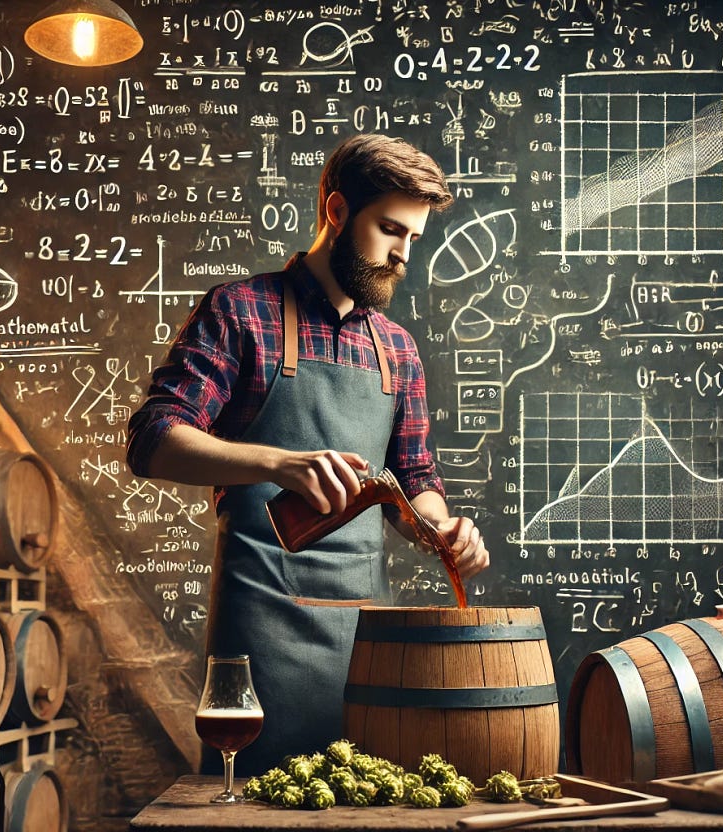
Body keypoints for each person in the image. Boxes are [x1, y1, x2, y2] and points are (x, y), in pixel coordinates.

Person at [126, 134, 490, 773]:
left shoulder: (399, 350)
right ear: (337, 211)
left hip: (369, 642)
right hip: (260, 636)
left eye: (413, 238)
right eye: (389, 230)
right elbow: (154, 439)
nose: (402, 254)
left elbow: (414, 477)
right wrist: (277, 463)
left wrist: (442, 529)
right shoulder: (242, 311)